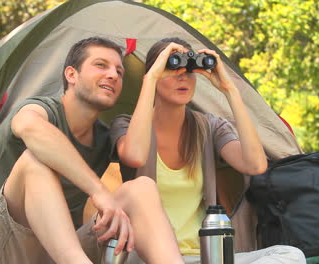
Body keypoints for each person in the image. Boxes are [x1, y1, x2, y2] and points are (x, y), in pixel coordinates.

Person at [0, 37, 185, 264]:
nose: (113, 75)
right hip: (3, 250)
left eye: (119, 72)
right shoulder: (41, 109)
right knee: (35, 161)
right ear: (71, 75)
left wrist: (150, 79)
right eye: (101, 65)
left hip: (59, 254)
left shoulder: (103, 137)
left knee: (142, 188)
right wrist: (99, 190)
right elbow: (27, 125)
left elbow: (136, 156)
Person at [111, 37, 306, 264]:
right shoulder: (126, 125)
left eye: (190, 70)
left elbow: (255, 164)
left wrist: (230, 90)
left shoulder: (209, 127)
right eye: (172, 67)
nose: (182, 76)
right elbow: (134, 155)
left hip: (203, 256)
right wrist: (150, 79)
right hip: (146, 255)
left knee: (291, 255)